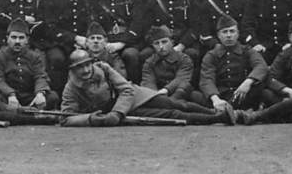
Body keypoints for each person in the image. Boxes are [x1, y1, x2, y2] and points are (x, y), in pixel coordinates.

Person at [60, 49, 229, 126]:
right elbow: (66, 118)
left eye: (87, 64)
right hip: (127, 112)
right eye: (80, 67)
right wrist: (90, 119)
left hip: (135, 97)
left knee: (175, 104)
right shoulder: (71, 88)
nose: (86, 70)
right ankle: (218, 119)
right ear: (72, 70)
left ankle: (214, 112)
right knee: (173, 115)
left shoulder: (104, 69)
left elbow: (126, 89)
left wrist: (116, 113)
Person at [0, 19, 60, 110]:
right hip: (7, 97)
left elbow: (40, 76)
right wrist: (10, 94)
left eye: (21, 38)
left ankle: (27, 112)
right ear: (7, 38)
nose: (17, 41)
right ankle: (32, 115)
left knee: (52, 97)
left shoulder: (34, 57)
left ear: (27, 40)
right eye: (13, 37)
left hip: (29, 97)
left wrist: (40, 93)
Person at [141, 25, 199, 102]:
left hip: (180, 94)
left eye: (164, 42)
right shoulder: (150, 62)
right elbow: (148, 83)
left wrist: (165, 90)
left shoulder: (184, 59)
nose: (161, 46)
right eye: (156, 43)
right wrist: (155, 96)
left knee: (193, 94)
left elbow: (181, 79)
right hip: (158, 96)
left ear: (172, 42)